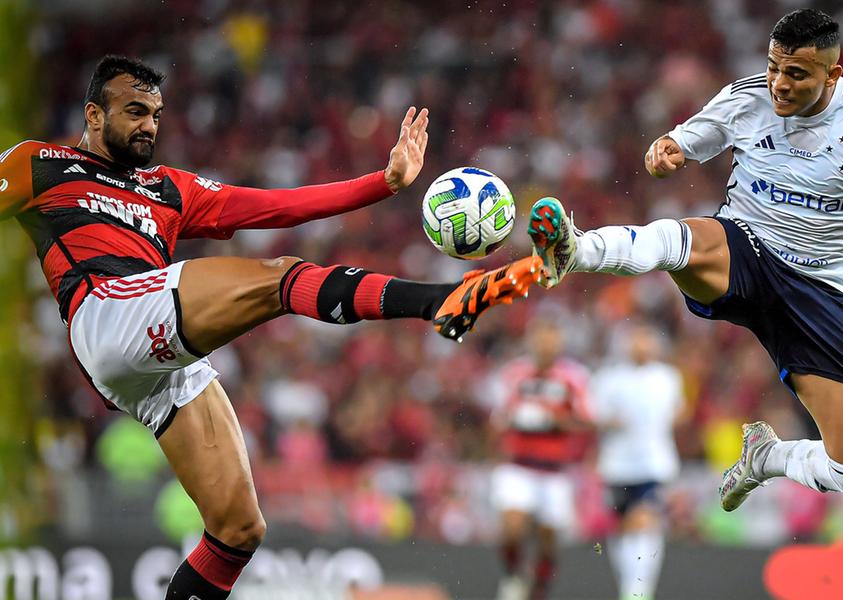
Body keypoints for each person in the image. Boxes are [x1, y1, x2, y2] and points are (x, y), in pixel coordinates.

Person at [0, 56, 541, 599]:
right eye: (135, 112)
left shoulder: (168, 188)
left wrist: (384, 182)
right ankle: (440, 301)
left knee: (237, 531)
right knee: (281, 279)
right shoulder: (39, 164)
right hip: (105, 310)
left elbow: (278, 207)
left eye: (156, 115)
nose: (149, 126)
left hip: (153, 352)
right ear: (94, 114)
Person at [527, 8, 843, 508]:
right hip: (745, 247)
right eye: (774, 66)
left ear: (832, 74)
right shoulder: (746, 99)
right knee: (680, 239)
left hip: (818, 289)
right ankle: (575, 250)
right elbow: (675, 146)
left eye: (796, 73)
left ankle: (765, 458)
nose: (779, 84)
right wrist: (662, 152)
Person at [487, 320, 591, 600]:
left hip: (555, 469)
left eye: (551, 339)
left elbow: (586, 422)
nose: (546, 346)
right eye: (541, 339)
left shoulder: (574, 377)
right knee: (512, 528)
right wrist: (514, 419)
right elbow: (496, 419)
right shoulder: (514, 374)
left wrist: (555, 420)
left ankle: (540, 590)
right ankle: (513, 577)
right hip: (518, 464)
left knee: (549, 538)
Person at [590, 324, 684, 600]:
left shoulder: (667, 377)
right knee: (622, 529)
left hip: (654, 464)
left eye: (647, 340)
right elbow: (595, 416)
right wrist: (611, 422)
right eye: (637, 340)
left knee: (644, 521)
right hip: (617, 465)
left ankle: (638, 592)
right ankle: (630, 586)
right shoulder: (609, 378)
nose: (642, 346)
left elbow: (679, 411)